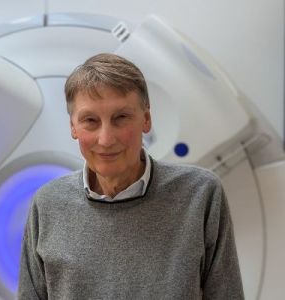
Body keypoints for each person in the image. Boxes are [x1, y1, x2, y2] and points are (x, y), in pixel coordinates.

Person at [17, 53, 244, 299]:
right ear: (73, 127)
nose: (106, 139)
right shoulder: (48, 203)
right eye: (90, 121)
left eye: (121, 118)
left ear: (146, 119)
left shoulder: (200, 194)